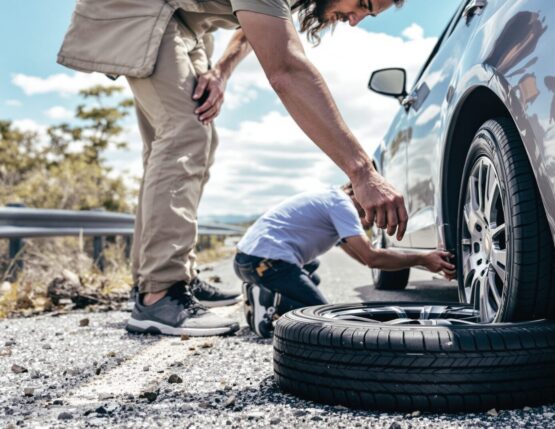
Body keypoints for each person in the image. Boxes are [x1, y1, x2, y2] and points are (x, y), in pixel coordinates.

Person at [57, 0, 409, 337]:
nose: (355, 19)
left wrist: (221, 70)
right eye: (363, 3)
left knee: (192, 139)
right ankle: (160, 293)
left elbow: (254, 23)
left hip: (184, 23)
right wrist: (362, 171)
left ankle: (170, 276)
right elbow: (285, 69)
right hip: (144, 8)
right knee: (184, 134)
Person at [233, 183, 455, 337]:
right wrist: (424, 259)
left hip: (248, 261)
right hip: (266, 262)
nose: (376, 216)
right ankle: (272, 300)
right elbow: (372, 258)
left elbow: (363, 258)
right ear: (357, 191)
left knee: (312, 268)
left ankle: (264, 295)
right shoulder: (342, 204)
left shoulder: (331, 202)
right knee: (320, 316)